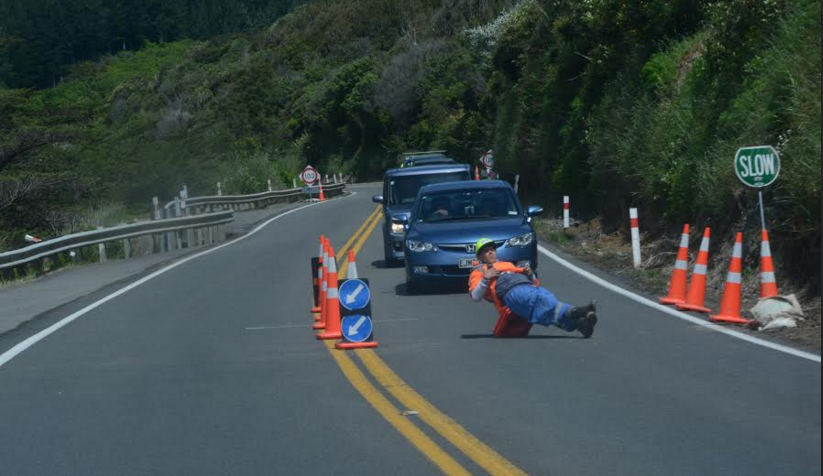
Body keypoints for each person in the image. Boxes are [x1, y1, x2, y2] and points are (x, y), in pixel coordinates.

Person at [468, 238, 598, 337]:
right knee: (545, 300)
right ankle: (579, 311)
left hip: (527, 286)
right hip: (510, 292)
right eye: (486, 251)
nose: (491, 252)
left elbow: (535, 282)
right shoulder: (479, 271)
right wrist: (486, 278)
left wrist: (530, 275)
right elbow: (475, 296)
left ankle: (580, 325)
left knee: (544, 310)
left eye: (492, 249)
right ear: (480, 257)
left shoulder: (508, 264)